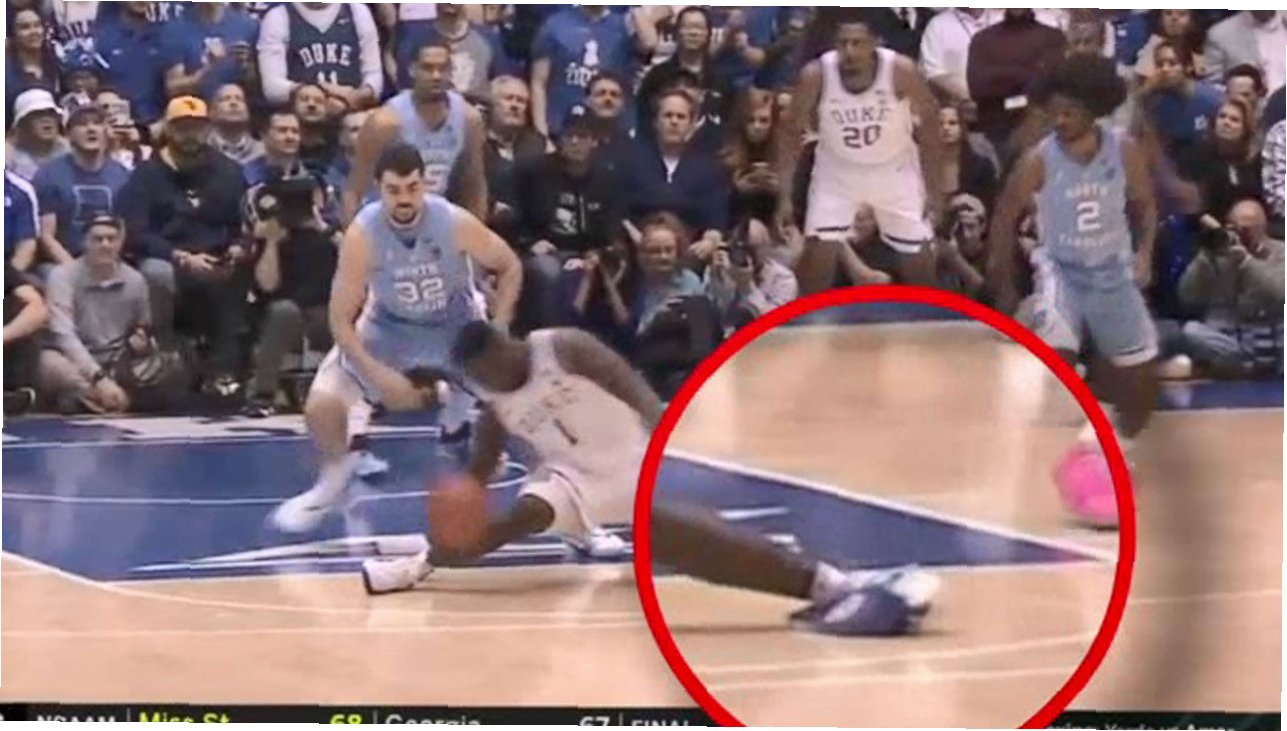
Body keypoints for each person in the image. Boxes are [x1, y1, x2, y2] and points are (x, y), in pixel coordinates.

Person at [359, 322, 940, 638]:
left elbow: (630, 383)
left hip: (636, 457)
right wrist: (460, 506)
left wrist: (665, 430)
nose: (490, 378)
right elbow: (479, 477)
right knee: (519, 518)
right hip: (574, 479)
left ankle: (833, 581)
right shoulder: (494, 409)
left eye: (492, 366)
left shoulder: (562, 347)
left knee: (673, 533)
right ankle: (418, 565)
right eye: (479, 375)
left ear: (504, 346)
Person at [271, 143, 522, 534]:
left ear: (424, 185)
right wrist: (379, 375)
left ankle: (574, 515)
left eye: (412, 188)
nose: (404, 198)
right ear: (379, 189)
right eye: (394, 190)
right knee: (321, 406)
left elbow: (509, 265)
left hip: (456, 326)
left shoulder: (452, 221)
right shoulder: (363, 234)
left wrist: (500, 328)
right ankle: (332, 480)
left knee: (532, 406)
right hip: (388, 327)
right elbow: (340, 319)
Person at [988, 54, 1159, 514]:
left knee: (1142, 384)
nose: (1060, 120)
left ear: (1095, 109)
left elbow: (1145, 207)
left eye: (1070, 112)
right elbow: (1004, 218)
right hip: (1061, 271)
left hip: (1113, 272)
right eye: (1054, 112)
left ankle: (1101, 445)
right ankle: (1081, 449)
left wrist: (1144, 254)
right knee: (1057, 352)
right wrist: (1002, 284)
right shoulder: (1038, 159)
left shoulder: (1123, 150)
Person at [778, 8, 945, 294]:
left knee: (920, 261)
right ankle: (805, 318)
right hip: (837, 172)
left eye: (857, 43)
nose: (849, 51)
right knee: (816, 258)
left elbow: (931, 124)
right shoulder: (816, 75)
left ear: (875, 43)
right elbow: (790, 133)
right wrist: (784, 196)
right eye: (842, 43)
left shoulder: (901, 71)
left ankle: (929, 315)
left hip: (894, 170)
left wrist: (934, 190)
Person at [342, 41, 487, 224]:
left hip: (435, 217)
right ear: (412, 70)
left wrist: (478, 234)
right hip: (384, 219)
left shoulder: (469, 119)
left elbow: (474, 184)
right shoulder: (385, 122)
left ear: (451, 71)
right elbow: (355, 188)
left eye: (443, 68)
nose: (436, 76)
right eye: (428, 68)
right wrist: (351, 235)